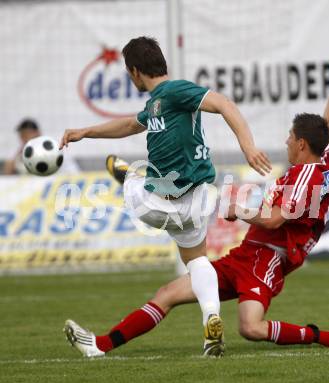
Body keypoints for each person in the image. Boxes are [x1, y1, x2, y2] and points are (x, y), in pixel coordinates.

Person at [64, 53, 329, 358]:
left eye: (290, 137)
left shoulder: (306, 177)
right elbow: (326, 127)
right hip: (248, 253)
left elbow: (276, 220)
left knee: (251, 328)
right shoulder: (319, 157)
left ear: (302, 144)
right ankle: (100, 345)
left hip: (268, 259)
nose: (286, 141)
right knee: (168, 293)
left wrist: (240, 210)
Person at [60, 36, 271, 357]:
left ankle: (126, 175)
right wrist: (86, 131)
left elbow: (224, 104)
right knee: (198, 262)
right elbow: (132, 124)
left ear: (134, 71)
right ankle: (211, 319)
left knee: (132, 182)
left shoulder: (175, 91)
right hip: (198, 199)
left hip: (161, 203)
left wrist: (248, 146)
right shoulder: (157, 103)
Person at [3, 118, 79, 175]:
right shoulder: (22, 150)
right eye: (21, 135)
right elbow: (7, 173)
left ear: (37, 133)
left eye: (26, 134)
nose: (24, 138)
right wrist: (18, 154)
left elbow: (73, 171)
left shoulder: (52, 146)